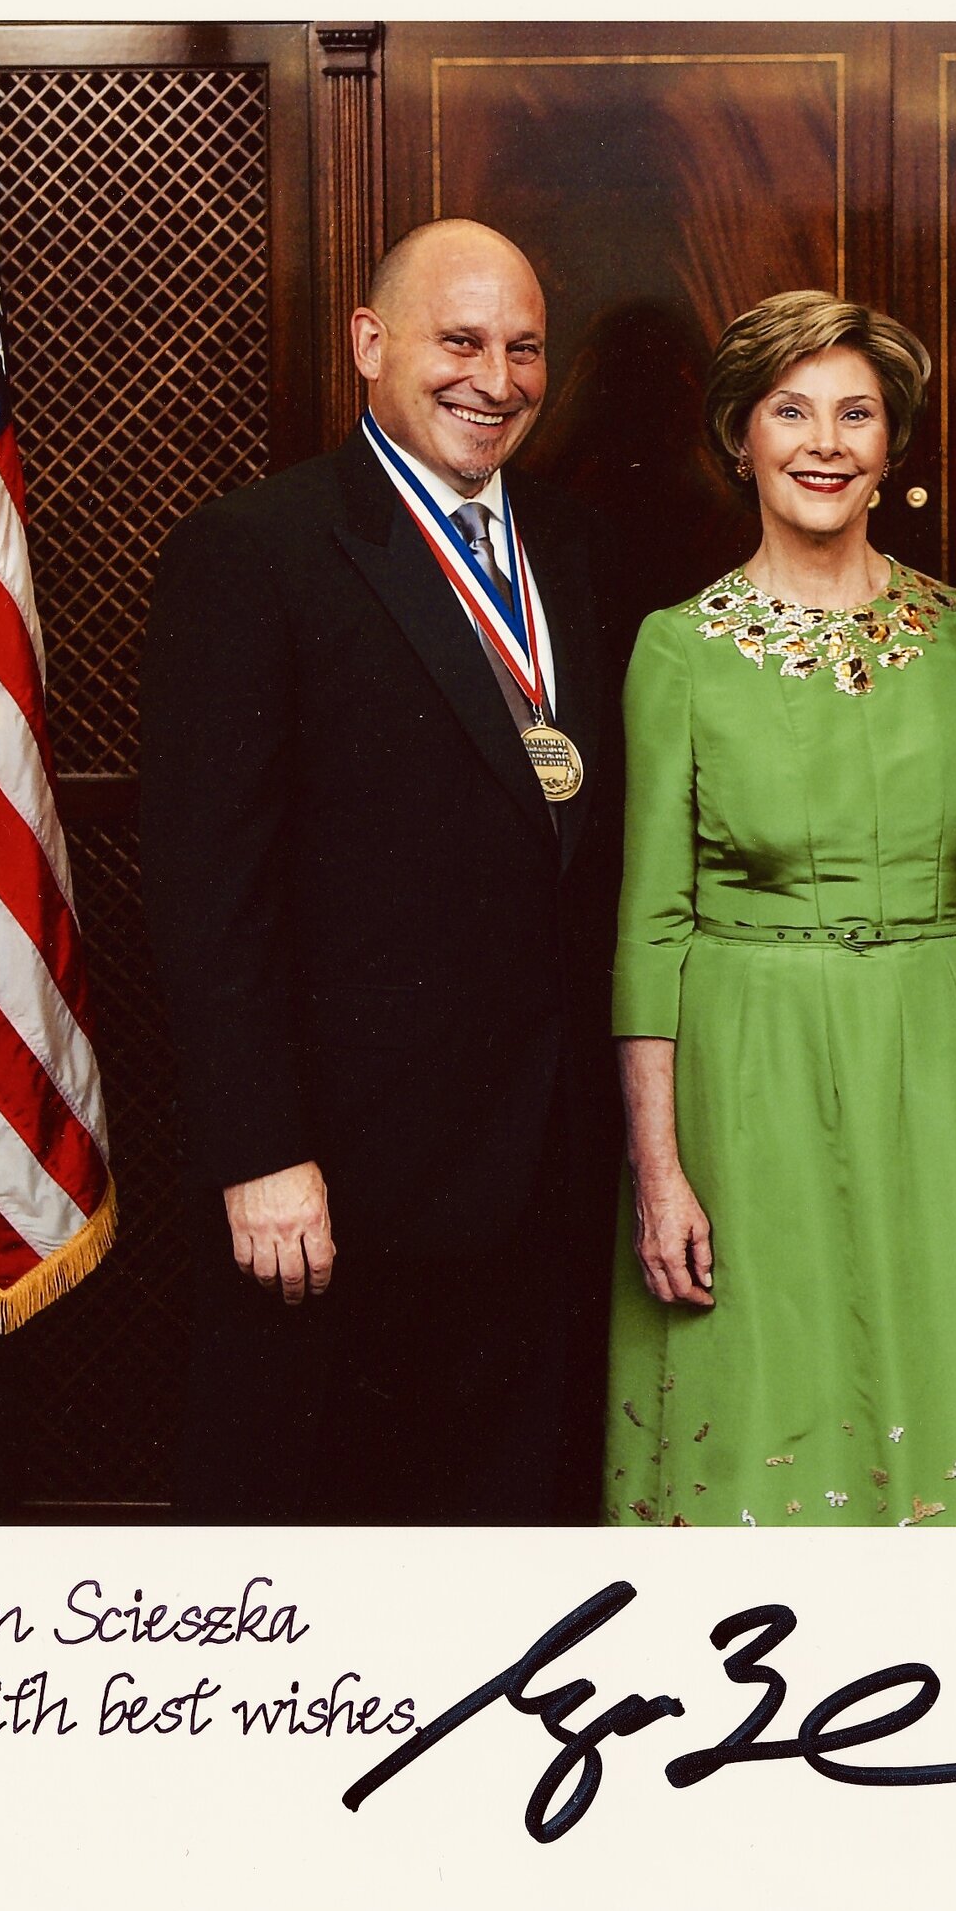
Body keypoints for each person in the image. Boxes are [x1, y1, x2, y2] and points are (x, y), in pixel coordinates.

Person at [140, 218, 622, 1524]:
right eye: (459, 340)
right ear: (371, 344)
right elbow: (207, 895)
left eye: (524, 348)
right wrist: (259, 1154)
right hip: (345, 1188)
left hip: (545, 1178)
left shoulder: (579, 551)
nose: (496, 377)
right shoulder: (256, 553)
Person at [604, 291, 956, 1528]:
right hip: (748, 1078)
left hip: (947, 1068)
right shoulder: (677, 648)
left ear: (891, 443)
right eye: (789, 409)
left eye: (855, 412)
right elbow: (650, 926)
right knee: (766, 1392)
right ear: (737, 437)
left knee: (949, 1375)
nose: (823, 440)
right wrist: (659, 1168)